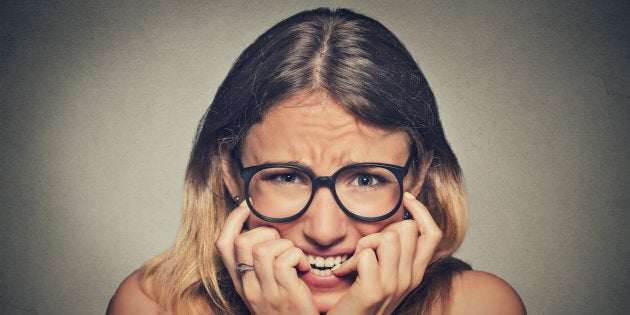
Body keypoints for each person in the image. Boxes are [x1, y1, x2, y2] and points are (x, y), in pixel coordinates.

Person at [107, 7, 526, 314]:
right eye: (286, 177)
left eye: (366, 179)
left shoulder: (479, 306)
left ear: (416, 176)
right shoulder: (152, 305)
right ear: (230, 173)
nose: (324, 232)